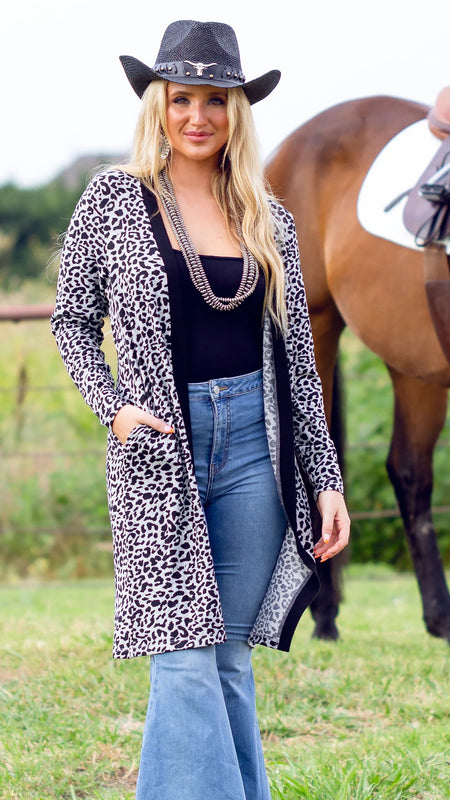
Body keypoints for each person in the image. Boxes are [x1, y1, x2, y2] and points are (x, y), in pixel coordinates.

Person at [51, 20, 350, 800]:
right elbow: (72, 320)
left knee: (225, 657)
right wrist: (111, 406)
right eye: (181, 98)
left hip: (255, 441)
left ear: (236, 111)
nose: (196, 116)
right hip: (158, 448)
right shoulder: (114, 200)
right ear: (159, 104)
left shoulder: (268, 219)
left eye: (214, 101)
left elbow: (297, 367)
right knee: (182, 653)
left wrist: (326, 477)